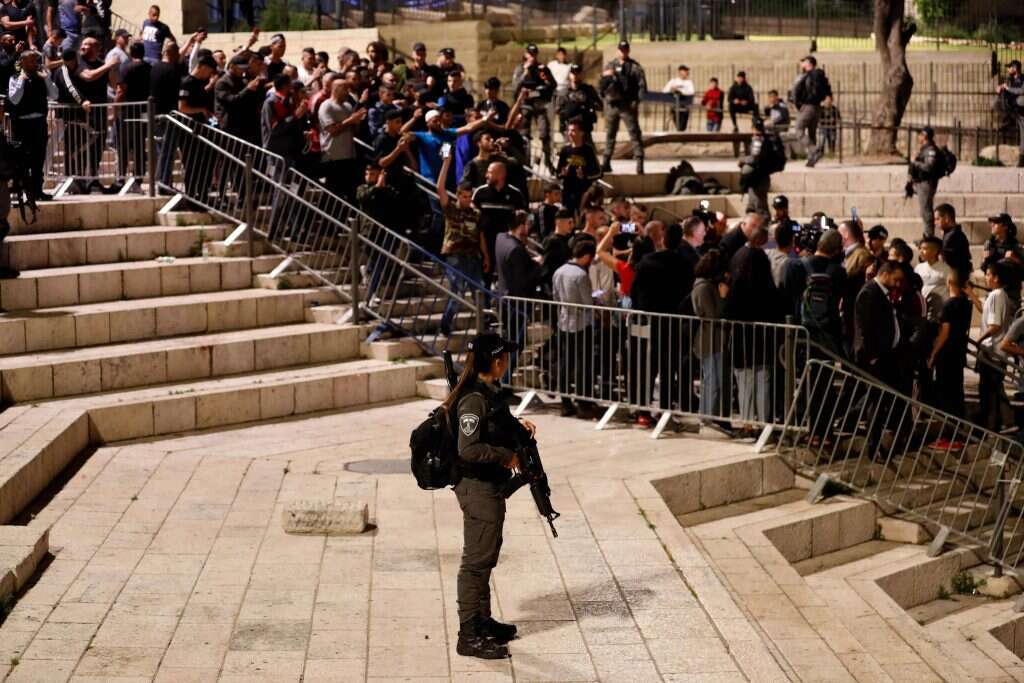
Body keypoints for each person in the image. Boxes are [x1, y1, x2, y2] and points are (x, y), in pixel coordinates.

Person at [442, 332, 530, 660]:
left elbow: (491, 428)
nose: (507, 362)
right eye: (505, 357)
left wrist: (518, 428)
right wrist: (506, 457)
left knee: (486, 555)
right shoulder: (473, 399)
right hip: (476, 487)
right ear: (496, 361)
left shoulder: (488, 394)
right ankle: (468, 634)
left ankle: (482, 621)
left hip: (487, 487)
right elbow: (470, 448)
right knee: (476, 563)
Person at [725, 225, 778, 430]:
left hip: (742, 331)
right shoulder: (758, 259)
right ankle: (762, 422)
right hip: (759, 332)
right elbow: (768, 294)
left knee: (746, 380)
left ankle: (748, 421)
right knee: (761, 378)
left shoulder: (739, 255)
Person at [437, 150, 487, 336]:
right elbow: (440, 189)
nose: (466, 199)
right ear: (458, 195)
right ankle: (446, 323)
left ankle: (483, 324)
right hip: (455, 255)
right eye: (463, 196)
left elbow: (479, 235)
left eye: (469, 196)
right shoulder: (451, 209)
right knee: (457, 291)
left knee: (478, 292)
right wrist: (446, 164)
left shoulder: (476, 213)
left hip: (473, 255)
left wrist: (485, 256)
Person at [552, 239, 599, 417]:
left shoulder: (559, 271)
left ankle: (565, 402)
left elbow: (556, 296)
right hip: (581, 323)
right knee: (582, 363)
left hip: (564, 321)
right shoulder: (580, 275)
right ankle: (583, 402)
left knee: (566, 361)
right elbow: (587, 303)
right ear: (586, 256)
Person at [7, 48, 56, 203]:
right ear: (22, 62)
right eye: (31, 60)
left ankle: (37, 191)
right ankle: (21, 191)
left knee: (38, 159)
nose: (35, 63)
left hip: (39, 124)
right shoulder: (15, 78)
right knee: (21, 160)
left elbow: (55, 95)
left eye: (35, 60)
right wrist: (22, 79)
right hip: (21, 124)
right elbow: (14, 99)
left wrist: (47, 78)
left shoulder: (42, 77)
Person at [971, 261, 1014, 430]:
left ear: (996, 278)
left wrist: (979, 340)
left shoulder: (996, 295)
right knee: (994, 388)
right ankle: (1004, 421)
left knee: (990, 390)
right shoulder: (997, 295)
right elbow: (986, 312)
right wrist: (971, 294)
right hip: (992, 351)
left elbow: (994, 325)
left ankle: (996, 423)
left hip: (992, 351)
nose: (986, 277)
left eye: (988, 274)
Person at [472, 160, 526, 285]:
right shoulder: (480, 193)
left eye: (490, 172)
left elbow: (523, 217)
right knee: (486, 272)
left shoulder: (515, 194)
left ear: (501, 175)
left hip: (507, 242)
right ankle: (486, 301)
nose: (486, 175)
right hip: (485, 240)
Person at [691, 250, 729, 423]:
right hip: (710, 340)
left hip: (712, 339)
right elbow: (713, 315)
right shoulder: (704, 287)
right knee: (712, 380)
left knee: (712, 379)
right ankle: (707, 416)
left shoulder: (701, 284)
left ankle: (708, 414)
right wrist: (722, 297)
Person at [928, 270, 971, 419]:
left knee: (945, 391)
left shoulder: (948, 306)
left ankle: (949, 431)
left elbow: (944, 333)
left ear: (949, 283)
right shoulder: (966, 304)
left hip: (947, 353)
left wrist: (933, 353)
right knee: (957, 390)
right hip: (959, 351)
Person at [854, 260, 905, 386]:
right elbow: (864, 327)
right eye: (895, 279)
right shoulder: (869, 292)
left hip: (884, 355)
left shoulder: (882, 292)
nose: (897, 284)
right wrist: (871, 355)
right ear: (885, 274)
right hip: (873, 357)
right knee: (872, 397)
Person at [598, 40, 646, 174]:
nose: (623, 52)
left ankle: (639, 162)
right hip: (612, 105)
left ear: (628, 50)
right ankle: (606, 162)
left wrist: (636, 102)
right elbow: (602, 84)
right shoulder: (610, 65)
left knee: (634, 134)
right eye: (621, 49)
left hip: (627, 106)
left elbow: (642, 86)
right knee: (610, 134)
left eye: (625, 49)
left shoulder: (634, 67)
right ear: (617, 50)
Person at [319, 79, 366, 201]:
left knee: (348, 189)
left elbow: (354, 130)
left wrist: (357, 121)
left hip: (349, 154)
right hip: (333, 155)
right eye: (345, 89)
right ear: (336, 89)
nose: (348, 92)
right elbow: (333, 131)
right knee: (332, 191)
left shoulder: (348, 106)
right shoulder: (326, 106)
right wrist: (351, 120)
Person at [789, 55, 831, 167]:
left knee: (798, 130)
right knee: (812, 134)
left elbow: (799, 92)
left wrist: (801, 104)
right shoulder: (817, 75)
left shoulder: (810, 75)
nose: (801, 64)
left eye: (802, 61)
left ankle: (815, 150)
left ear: (808, 63)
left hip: (808, 107)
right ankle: (812, 159)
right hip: (816, 108)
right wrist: (828, 96)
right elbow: (826, 87)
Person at [215, 51, 263, 145]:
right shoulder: (223, 82)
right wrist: (248, 89)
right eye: (241, 69)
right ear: (232, 67)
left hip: (244, 126)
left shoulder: (242, 80)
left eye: (245, 68)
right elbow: (232, 101)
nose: (243, 71)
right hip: (230, 127)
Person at [555, 118, 601, 214]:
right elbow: (558, 173)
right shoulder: (565, 150)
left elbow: (599, 172)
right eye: (569, 130)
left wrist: (584, 176)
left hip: (584, 193)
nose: (570, 133)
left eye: (573, 131)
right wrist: (563, 173)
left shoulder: (588, 150)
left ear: (581, 132)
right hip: (568, 192)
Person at [908, 126, 943, 238]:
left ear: (925, 136)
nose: (918, 137)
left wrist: (915, 162)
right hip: (921, 183)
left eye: (920, 134)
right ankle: (927, 235)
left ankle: (929, 237)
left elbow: (929, 167)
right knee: (924, 210)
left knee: (926, 210)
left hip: (927, 183)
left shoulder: (931, 150)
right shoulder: (924, 148)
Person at [739, 119, 778, 216]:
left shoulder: (758, 140)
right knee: (752, 206)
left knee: (760, 206)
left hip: (758, 178)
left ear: (753, 128)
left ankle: (763, 227)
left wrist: (743, 160)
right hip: (758, 177)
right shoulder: (764, 139)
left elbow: (754, 158)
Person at [555, 63, 600, 146]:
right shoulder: (564, 92)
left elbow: (599, 106)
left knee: (590, 154)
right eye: (573, 73)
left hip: (584, 128)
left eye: (577, 73)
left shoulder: (588, 90)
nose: (575, 75)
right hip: (569, 129)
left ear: (581, 75)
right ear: (569, 75)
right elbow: (558, 110)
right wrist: (570, 109)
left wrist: (587, 105)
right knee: (569, 152)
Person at [540, 207, 575, 296]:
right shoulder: (551, 241)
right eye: (569, 222)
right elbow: (546, 267)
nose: (572, 226)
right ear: (558, 222)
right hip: (555, 286)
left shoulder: (570, 239)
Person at [916, 236, 952, 322]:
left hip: (940, 308)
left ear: (935, 251)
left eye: (925, 249)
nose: (921, 252)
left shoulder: (946, 269)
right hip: (923, 307)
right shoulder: (918, 268)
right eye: (920, 248)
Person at [995, 59, 1024, 167]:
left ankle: (1022, 159)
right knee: (996, 103)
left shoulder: (1023, 79)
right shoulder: (1009, 80)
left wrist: (1008, 88)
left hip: (1021, 108)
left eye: (1009, 67)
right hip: (1013, 109)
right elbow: (1006, 91)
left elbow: (1021, 91)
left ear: (1015, 68)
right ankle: (1009, 119)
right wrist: (1000, 89)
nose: (1008, 69)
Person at [936, 203, 972, 286]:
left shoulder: (954, 236)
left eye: (937, 219)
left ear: (946, 218)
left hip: (956, 281)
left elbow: (951, 261)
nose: (935, 222)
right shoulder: (950, 234)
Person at [663, 64, 694, 131]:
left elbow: (691, 92)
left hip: (684, 106)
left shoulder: (689, 82)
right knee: (678, 124)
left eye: (687, 71)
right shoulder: (673, 81)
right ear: (680, 72)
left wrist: (680, 91)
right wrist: (671, 90)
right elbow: (664, 91)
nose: (687, 72)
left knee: (683, 125)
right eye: (685, 71)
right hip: (675, 106)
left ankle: (681, 136)